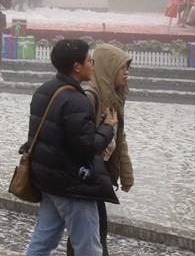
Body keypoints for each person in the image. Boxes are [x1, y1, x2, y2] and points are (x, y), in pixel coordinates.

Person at [24, 39, 118, 256]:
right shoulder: (76, 100)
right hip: (72, 185)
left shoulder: (44, 90)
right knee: (89, 248)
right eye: (89, 61)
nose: (92, 65)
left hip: (48, 180)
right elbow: (86, 147)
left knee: (42, 242)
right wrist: (107, 129)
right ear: (77, 66)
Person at [65, 44, 133, 256]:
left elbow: (120, 139)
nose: (126, 74)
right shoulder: (90, 97)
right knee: (91, 234)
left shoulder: (112, 98)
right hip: (86, 177)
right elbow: (81, 142)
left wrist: (126, 173)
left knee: (87, 233)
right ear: (109, 69)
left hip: (98, 175)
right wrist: (106, 129)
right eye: (122, 69)